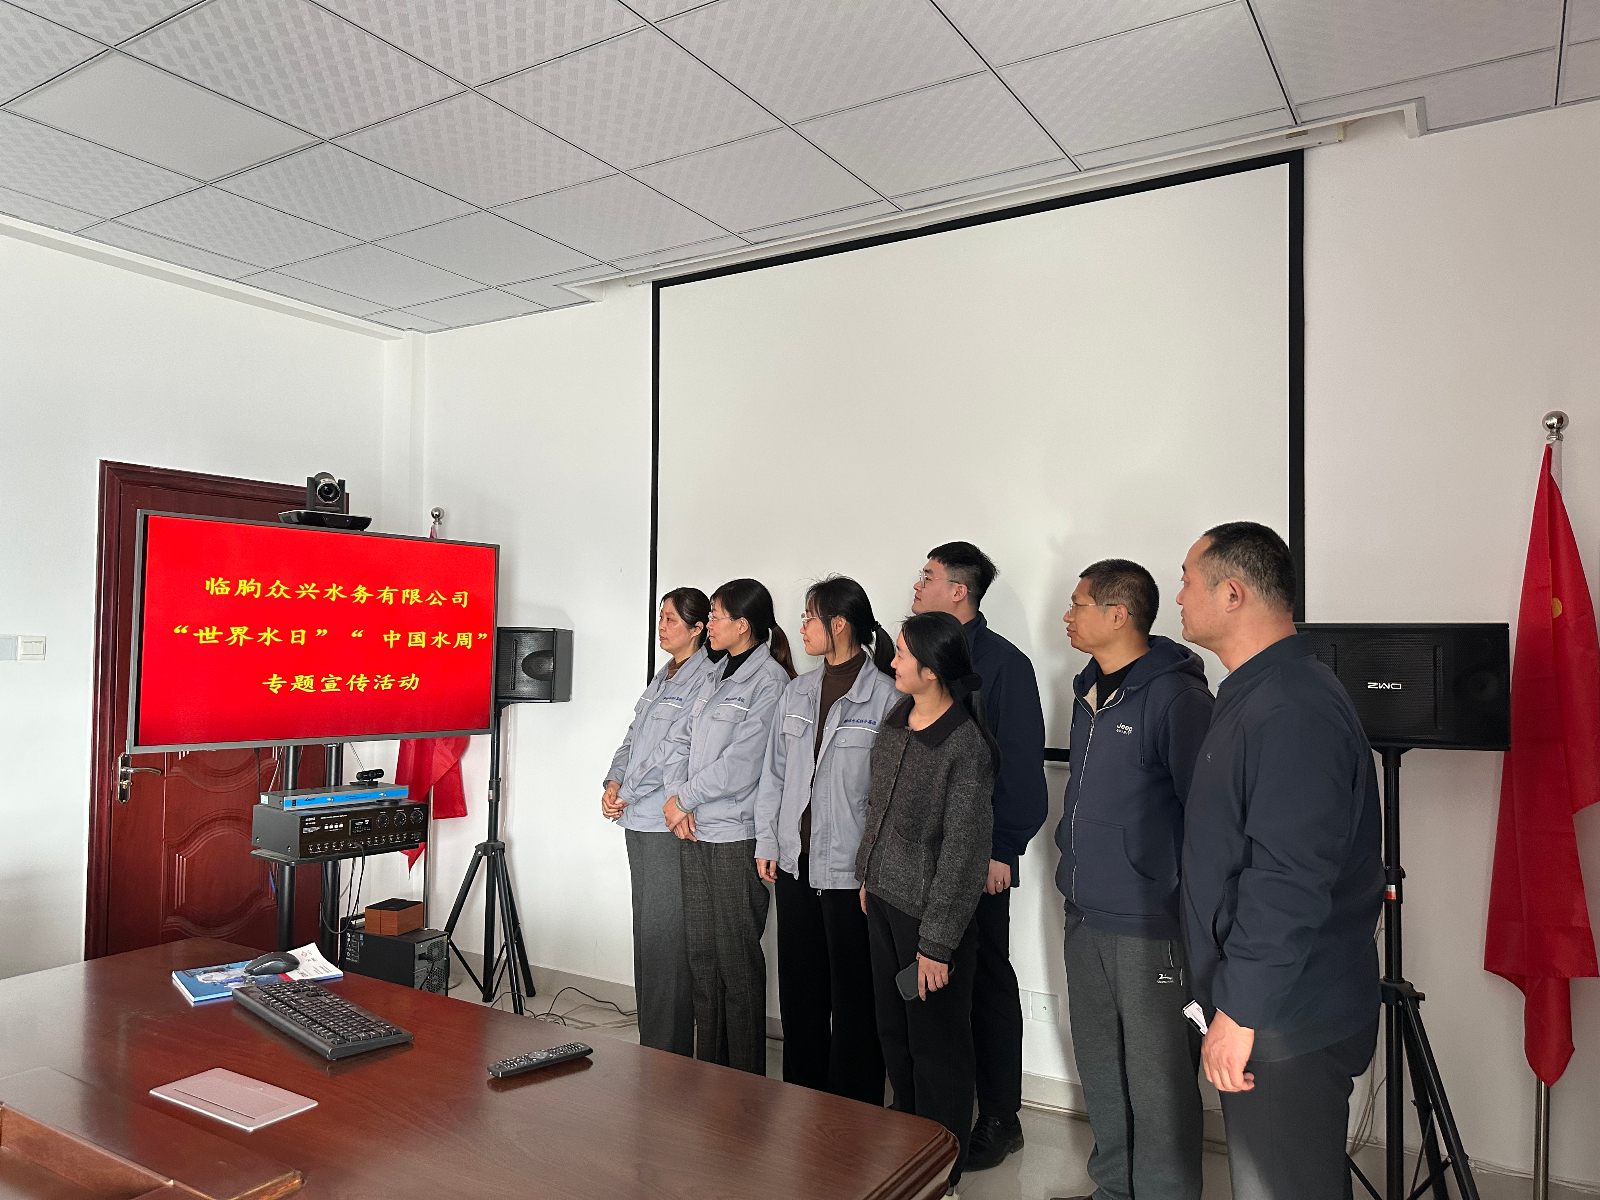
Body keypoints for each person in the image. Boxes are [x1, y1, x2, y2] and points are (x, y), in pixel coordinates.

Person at [1175, 522, 1382, 1200]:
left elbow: (1288, 879)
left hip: (1283, 1017)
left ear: (1232, 593)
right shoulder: (1257, 692)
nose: (1179, 597)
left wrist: (1239, 1012)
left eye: (1187, 581)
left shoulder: (1291, 707)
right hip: (1270, 1006)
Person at [1049, 560, 1213, 1200]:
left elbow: (1207, 815)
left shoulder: (1177, 698)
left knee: (1159, 1080)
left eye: (1078, 604)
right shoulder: (1090, 691)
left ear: (1117, 615)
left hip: (1150, 924)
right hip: (1085, 914)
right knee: (1102, 1067)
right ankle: (1115, 1189)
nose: (1068, 615)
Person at [911, 540, 1047, 1168]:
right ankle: (937, 1110)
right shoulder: (915, 657)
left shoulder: (1004, 664)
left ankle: (999, 1115)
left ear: (959, 591)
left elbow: (1018, 766)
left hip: (977, 858)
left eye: (929, 576)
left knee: (986, 980)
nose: (918, 584)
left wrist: (1003, 849)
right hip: (919, 859)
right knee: (930, 982)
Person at [857, 611, 998, 1195]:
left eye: (902, 653)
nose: (892, 660)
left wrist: (937, 945)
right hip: (884, 901)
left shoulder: (964, 745)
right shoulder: (899, 718)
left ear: (933, 668)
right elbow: (878, 807)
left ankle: (942, 1173)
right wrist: (868, 875)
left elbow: (963, 855)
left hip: (930, 919)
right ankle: (908, 1152)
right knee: (896, 1034)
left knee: (938, 1049)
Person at [754, 576, 900, 1102]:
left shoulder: (886, 696)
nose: (802, 628)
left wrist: (874, 872)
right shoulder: (797, 691)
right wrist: (767, 843)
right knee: (801, 996)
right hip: (796, 866)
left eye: (809, 617)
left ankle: (853, 1111)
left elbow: (889, 797)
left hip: (850, 875)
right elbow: (774, 775)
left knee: (856, 1000)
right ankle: (801, 1102)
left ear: (839, 624)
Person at [662, 578, 795, 1074]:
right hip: (695, 829)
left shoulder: (769, 682)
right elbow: (680, 740)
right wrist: (677, 800)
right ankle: (709, 1070)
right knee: (702, 956)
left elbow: (743, 764)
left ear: (743, 625)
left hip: (735, 835)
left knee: (736, 961)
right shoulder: (714, 672)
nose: (709, 624)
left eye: (716, 616)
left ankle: (744, 1081)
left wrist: (684, 798)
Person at [600, 588, 716, 1056]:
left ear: (698, 628)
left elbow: (671, 751)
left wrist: (627, 791)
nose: (662, 627)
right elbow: (634, 737)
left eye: (671, 619)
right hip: (637, 820)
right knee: (647, 933)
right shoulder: (663, 674)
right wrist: (613, 780)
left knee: (668, 938)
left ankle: (667, 1050)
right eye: (661, 617)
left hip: (666, 825)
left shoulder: (706, 677)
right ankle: (651, 1042)